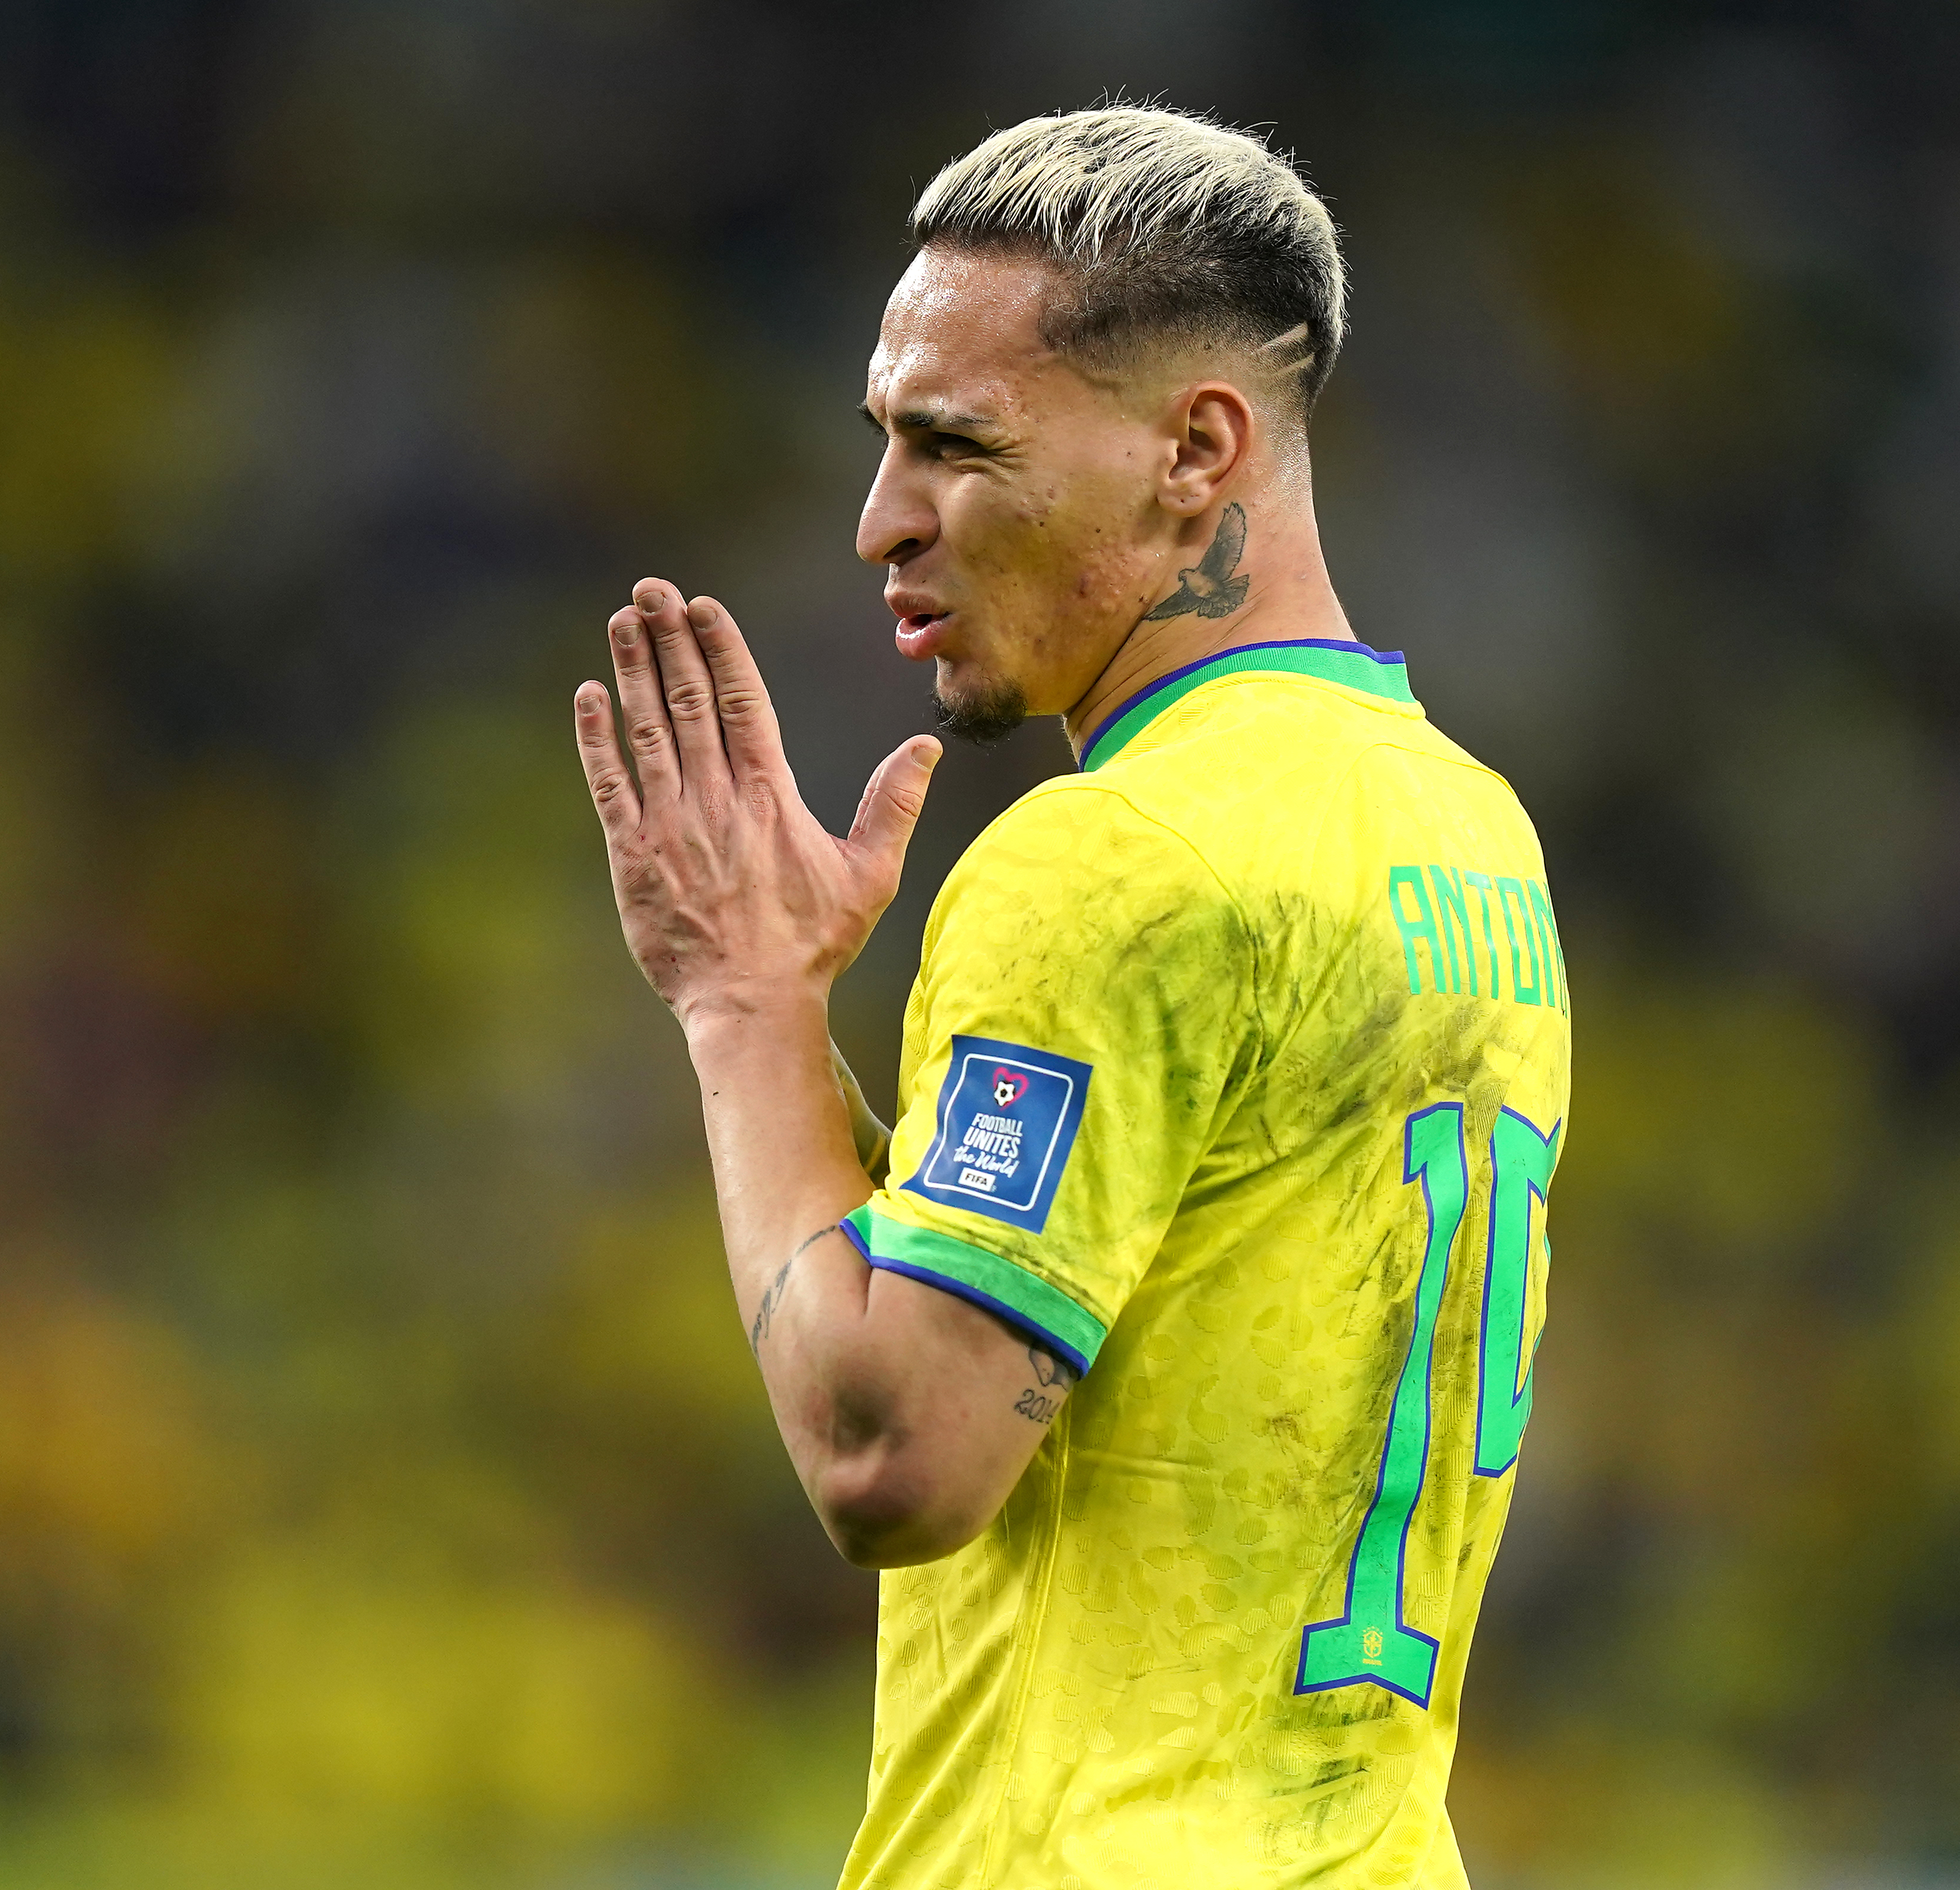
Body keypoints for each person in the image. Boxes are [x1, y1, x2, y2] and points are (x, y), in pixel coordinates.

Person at [573, 104, 1572, 1890]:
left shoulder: (1115, 858)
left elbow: (895, 1449)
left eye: (952, 445)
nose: (880, 522)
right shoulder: (1470, 835)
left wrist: (744, 1009)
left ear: (1196, 449)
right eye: (884, 442)